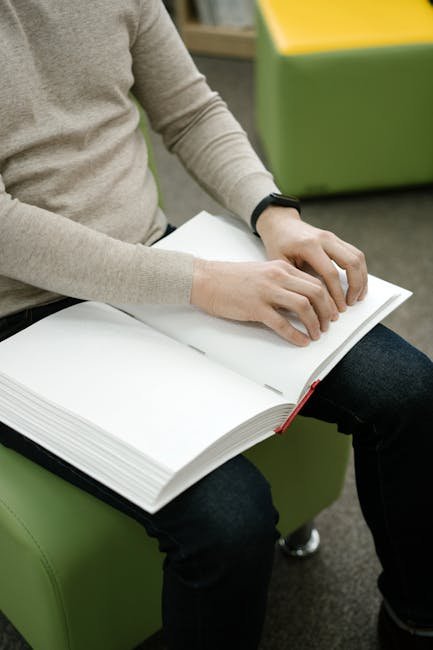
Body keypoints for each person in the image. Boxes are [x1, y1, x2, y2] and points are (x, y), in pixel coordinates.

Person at [0, 1, 432, 648]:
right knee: (229, 520)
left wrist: (272, 213)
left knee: (409, 391)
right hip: (28, 316)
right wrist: (199, 283)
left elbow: (191, 111)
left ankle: (413, 620)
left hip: (158, 256)